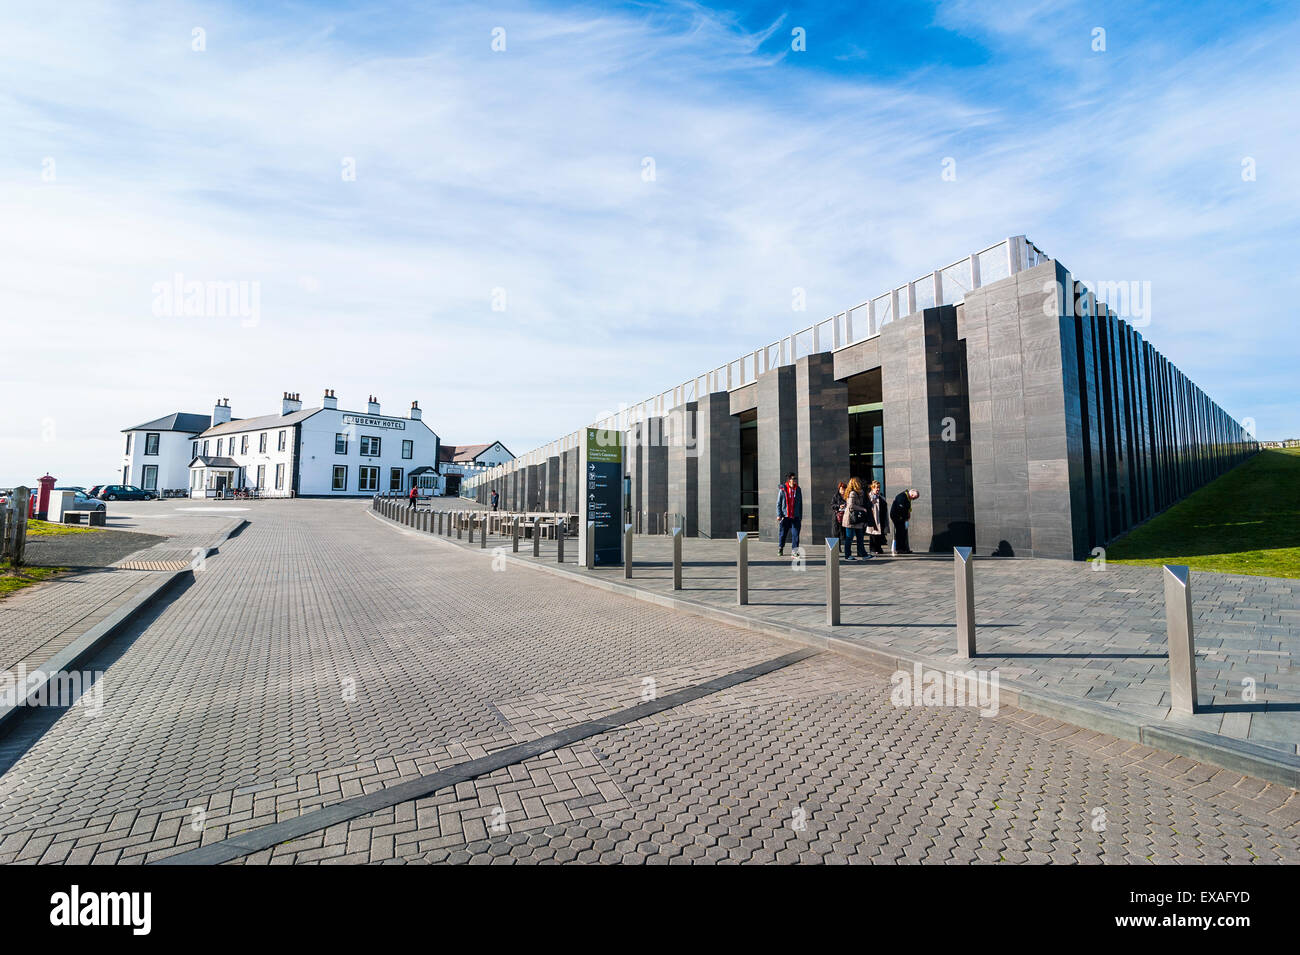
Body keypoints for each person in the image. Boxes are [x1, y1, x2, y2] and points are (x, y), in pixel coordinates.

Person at [841, 476, 871, 560]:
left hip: (857, 518)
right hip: (851, 518)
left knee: (860, 537)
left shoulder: (859, 493)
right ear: (856, 483)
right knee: (849, 537)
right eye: (859, 482)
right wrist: (862, 509)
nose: (860, 483)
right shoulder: (852, 493)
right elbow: (851, 505)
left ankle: (863, 554)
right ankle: (848, 555)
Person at [776, 472, 802, 557]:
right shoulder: (783, 489)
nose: (795, 480)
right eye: (793, 479)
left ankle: (794, 551)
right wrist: (779, 515)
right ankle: (780, 548)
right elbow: (779, 503)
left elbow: (800, 503)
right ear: (789, 480)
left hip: (795, 516)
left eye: (795, 479)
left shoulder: (798, 489)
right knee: (783, 534)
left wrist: (800, 515)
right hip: (785, 516)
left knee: (796, 535)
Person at [890, 487, 920, 553]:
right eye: (914, 498)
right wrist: (904, 517)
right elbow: (901, 509)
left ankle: (904, 548)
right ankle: (899, 549)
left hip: (902, 517)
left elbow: (907, 508)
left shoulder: (907, 497)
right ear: (912, 495)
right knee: (900, 533)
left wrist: (908, 515)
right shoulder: (902, 497)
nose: (914, 499)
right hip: (898, 517)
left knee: (903, 533)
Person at [867, 480, 889, 554]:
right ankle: (873, 548)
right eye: (876, 487)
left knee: (880, 533)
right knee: (873, 534)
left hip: (881, 518)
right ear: (872, 488)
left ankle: (878, 547)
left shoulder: (881, 497)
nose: (878, 489)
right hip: (873, 518)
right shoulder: (869, 497)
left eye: (879, 487)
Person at [830, 481, 848, 554]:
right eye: (841, 489)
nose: (843, 491)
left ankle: (847, 548)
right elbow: (832, 505)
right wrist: (839, 506)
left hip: (845, 517)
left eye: (844, 489)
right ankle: (838, 548)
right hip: (837, 517)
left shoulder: (848, 496)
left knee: (845, 533)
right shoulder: (836, 496)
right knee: (836, 533)